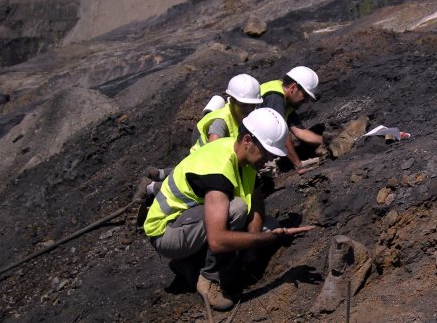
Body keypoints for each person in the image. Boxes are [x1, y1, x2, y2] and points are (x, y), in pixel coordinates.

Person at [144, 108, 315, 310]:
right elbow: (216, 241)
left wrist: (251, 244)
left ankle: (191, 264)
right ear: (248, 140)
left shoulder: (244, 159)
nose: (270, 158)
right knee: (238, 209)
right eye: (267, 151)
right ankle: (210, 280)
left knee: (268, 225)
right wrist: (266, 239)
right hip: (167, 232)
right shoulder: (218, 168)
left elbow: (257, 200)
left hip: (191, 224)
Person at [134, 73, 263, 201]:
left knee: (184, 171)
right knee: (190, 185)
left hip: (204, 156)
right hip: (202, 155)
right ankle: (150, 188)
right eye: (244, 105)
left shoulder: (242, 116)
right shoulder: (221, 122)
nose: (249, 109)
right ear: (232, 100)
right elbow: (214, 155)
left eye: (252, 105)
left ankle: (159, 173)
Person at [259, 66, 323, 174]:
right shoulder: (275, 97)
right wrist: (298, 164)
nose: (306, 101)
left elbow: (300, 131)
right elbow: (280, 134)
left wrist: (325, 141)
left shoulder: (287, 101)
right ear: (293, 87)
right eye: (305, 95)